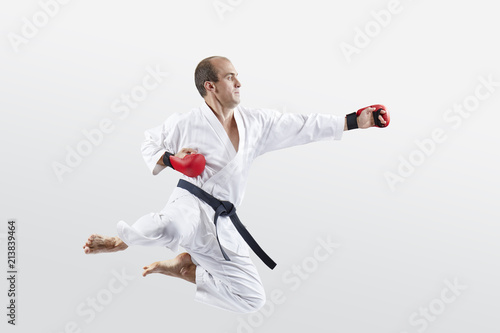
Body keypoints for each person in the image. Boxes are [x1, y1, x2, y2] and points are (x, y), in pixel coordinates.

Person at [82, 56, 388, 313]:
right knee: (171, 229)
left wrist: (353, 121)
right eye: (231, 77)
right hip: (191, 205)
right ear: (210, 86)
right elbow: (148, 142)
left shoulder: (255, 123)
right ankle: (122, 241)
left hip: (222, 225)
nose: (239, 83)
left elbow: (301, 126)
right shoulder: (186, 122)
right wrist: (173, 161)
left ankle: (184, 267)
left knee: (252, 298)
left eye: (237, 76)